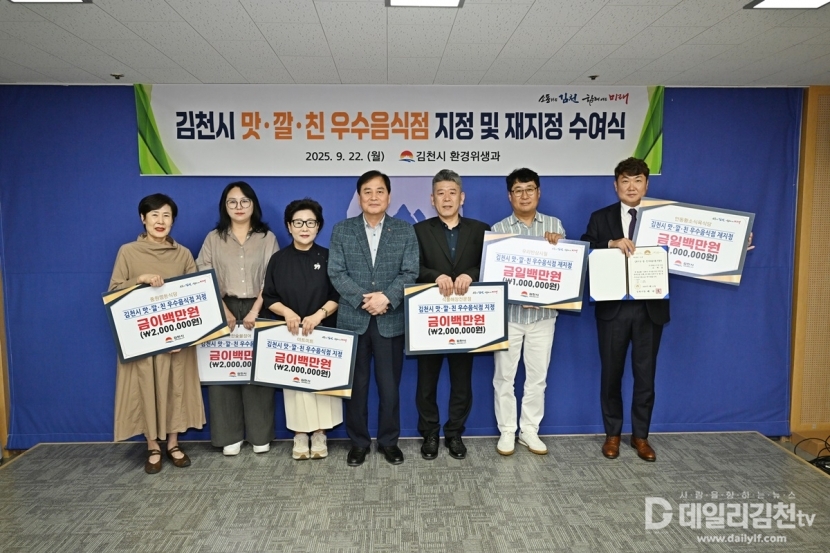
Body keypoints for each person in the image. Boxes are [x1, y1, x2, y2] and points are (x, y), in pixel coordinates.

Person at [109, 193, 205, 474]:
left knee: (176, 388)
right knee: (145, 389)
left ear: (173, 220)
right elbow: (114, 292)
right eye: (154, 215)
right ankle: (152, 445)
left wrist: (184, 336)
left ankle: (173, 444)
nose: (160, 221)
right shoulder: (128, 252)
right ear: (143, 218)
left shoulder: (183, 254)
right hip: (143, 341)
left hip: (177, 340)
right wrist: (138, 279)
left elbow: (196, 296)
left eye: (166, 215)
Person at [328, 170, 419, 466]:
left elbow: (410, 271)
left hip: (389, 319)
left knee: (389, 388)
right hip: (353, 319)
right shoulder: (343, 230)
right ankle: (359, 442)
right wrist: (364, 300)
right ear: (359, 197)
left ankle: (389, 442)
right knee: (356, 387)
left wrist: (387, 298)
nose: (374, 197)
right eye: (367, 191)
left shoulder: (404, 230)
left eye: (380, 191)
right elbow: (336, 272)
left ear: (389, 197)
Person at [580, 157, 667, 462]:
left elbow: (693, 244)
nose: (631, 187)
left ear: (647, 184)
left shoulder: (663, 217)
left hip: (649, 309)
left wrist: (736, 246)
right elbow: (583, 249)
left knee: (645, 377)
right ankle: (613, 434)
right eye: (625, 181)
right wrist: (610, 243)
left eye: (638, 180)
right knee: (611, 375)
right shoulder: (600, 217)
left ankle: (641, 436)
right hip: (613, 310)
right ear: (615, 185)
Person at [196, 181, 279, 456]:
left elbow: (272, 277)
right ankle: (228, 434)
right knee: (223, 370)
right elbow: (203, 275)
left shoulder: (267, 237)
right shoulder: (213, 238)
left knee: (258, 373)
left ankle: (259, 434)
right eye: (232, 202)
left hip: (260, 307)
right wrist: (223, 309)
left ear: (253, 204)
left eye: (244, 201)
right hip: (223, 307)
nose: (239, 206)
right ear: (225, 206)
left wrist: (255, 310)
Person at [412, 169, 490, 460]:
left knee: (462, 381)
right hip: (430, 319)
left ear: (462, 197)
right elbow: (411, 267)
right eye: (440, 193)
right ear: (432, 199)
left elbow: (491, 264)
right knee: (426, 382)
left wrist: (471, 274)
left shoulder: (481, 229)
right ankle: (430, 433)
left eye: (452, 192)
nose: (446, 198)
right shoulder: (418, 231)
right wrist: (435, 276)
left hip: (467, 321)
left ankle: (455, 432)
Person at [491, 168, 564, 457]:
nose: (524, 195)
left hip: (543, 318)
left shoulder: (555, 226)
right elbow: (494, 276)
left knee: (537, 377)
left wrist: (559, 246)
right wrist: (519, 295)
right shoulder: (498, 229)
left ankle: (529, 430)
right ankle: (507, 430)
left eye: (530, 189)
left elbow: (563, 272)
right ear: (510, 196)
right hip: (510, 317)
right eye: (518, 190)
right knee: (504, 377)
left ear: (538, 193)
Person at [262, 199, 341, 460]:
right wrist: (287, 313)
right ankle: (299, 435)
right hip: (291, 334)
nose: (304, 228)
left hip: (323, 331)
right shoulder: (278, 259)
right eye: (298, 222)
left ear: (318, 226)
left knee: (322, 385)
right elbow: (269, 297)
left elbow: (337, 295)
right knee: (295, 387)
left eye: (310, 222)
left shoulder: (329, 257)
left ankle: (319, 434)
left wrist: (319, 315)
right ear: (289, 226)